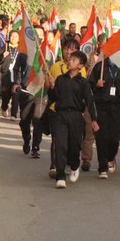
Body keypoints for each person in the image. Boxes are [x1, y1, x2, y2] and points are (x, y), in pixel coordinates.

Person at [45, 50, 98, 189]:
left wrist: (94, 119)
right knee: (60, 144)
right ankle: (61, 175)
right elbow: (53, 97)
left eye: (74, 60)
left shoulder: (83, 82)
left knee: (74, 146)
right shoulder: (60, 79)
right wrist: (51, 87)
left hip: (76, 117)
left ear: (80, 66)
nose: (70, 61)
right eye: (70, 59)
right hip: (60, 115)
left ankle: (74, 165)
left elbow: (90, 101)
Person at [89, 53, 120, 177]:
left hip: (117, 107)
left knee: (115, 138)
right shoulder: (100, 67)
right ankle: (102, 167)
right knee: (101, 137)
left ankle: (110, 156)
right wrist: (96, 84)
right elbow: (89, 86)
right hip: (101, 106)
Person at [12, 51, 45, 158]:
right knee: (24, 120)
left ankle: (35, 147)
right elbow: (16, 69)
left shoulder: (46, 54)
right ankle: (27, 139)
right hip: (26, 91)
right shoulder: (23, 54)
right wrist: (17, 83)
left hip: (41, 92)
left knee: (38, 120)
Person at [0, 31, 21, 118]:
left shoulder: (21, 49)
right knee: (5, 94)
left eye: (16, 36)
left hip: (17, 74)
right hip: (6, 74)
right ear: (9, 37)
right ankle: (4, 107)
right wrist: (3, 56)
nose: (14, 38)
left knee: (15, 93)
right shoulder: (5, 47)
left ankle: (13, 114)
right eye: (12, 36)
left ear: (19, 39)